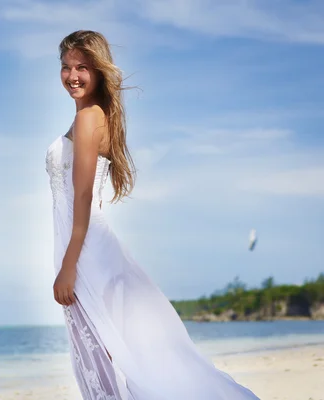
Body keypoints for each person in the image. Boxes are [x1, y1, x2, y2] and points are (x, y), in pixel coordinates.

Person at [45, 30, 260, 400]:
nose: (72, 76)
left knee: (109, 348)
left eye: (82, 67)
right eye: (66, 67)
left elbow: (81, 195)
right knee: (117, 348)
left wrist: (68, 264)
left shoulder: (88, 120)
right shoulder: (96, 117)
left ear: (98, 70)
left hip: (83, 252)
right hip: (86, 245)